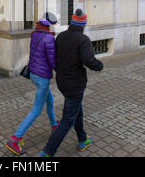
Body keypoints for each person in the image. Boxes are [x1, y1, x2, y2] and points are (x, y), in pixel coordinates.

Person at [39, 9, 103, 157]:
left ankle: (82, 139)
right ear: (83, 24)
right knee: (67, 120)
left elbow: (55, 57)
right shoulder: (83, 40)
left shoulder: (61, 36)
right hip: (74, 84)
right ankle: (47, 152)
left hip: (62, 81)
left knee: (76, 109)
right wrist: (99, 66)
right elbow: (89, 60)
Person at [5, 12, 59, 156]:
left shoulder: (35, 33)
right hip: (43, 77)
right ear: (48, 25)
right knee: (36, 110)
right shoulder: (48, 38)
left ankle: (54, 125)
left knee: (50, 100)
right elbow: (53, 61)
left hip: (34, 74)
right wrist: (61, 71)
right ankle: (15, 139)